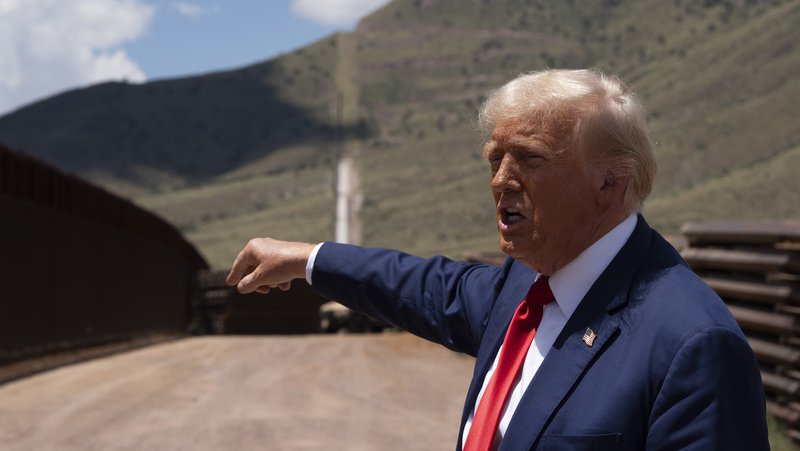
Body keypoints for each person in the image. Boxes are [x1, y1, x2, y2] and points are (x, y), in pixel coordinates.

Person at [226, 69, 769, 450]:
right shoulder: (524, 289)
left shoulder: (691, 344)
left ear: (609, 182)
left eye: (529, 159)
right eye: (495, 159)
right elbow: (421, 287)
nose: (501, 181)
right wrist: (307, 259)